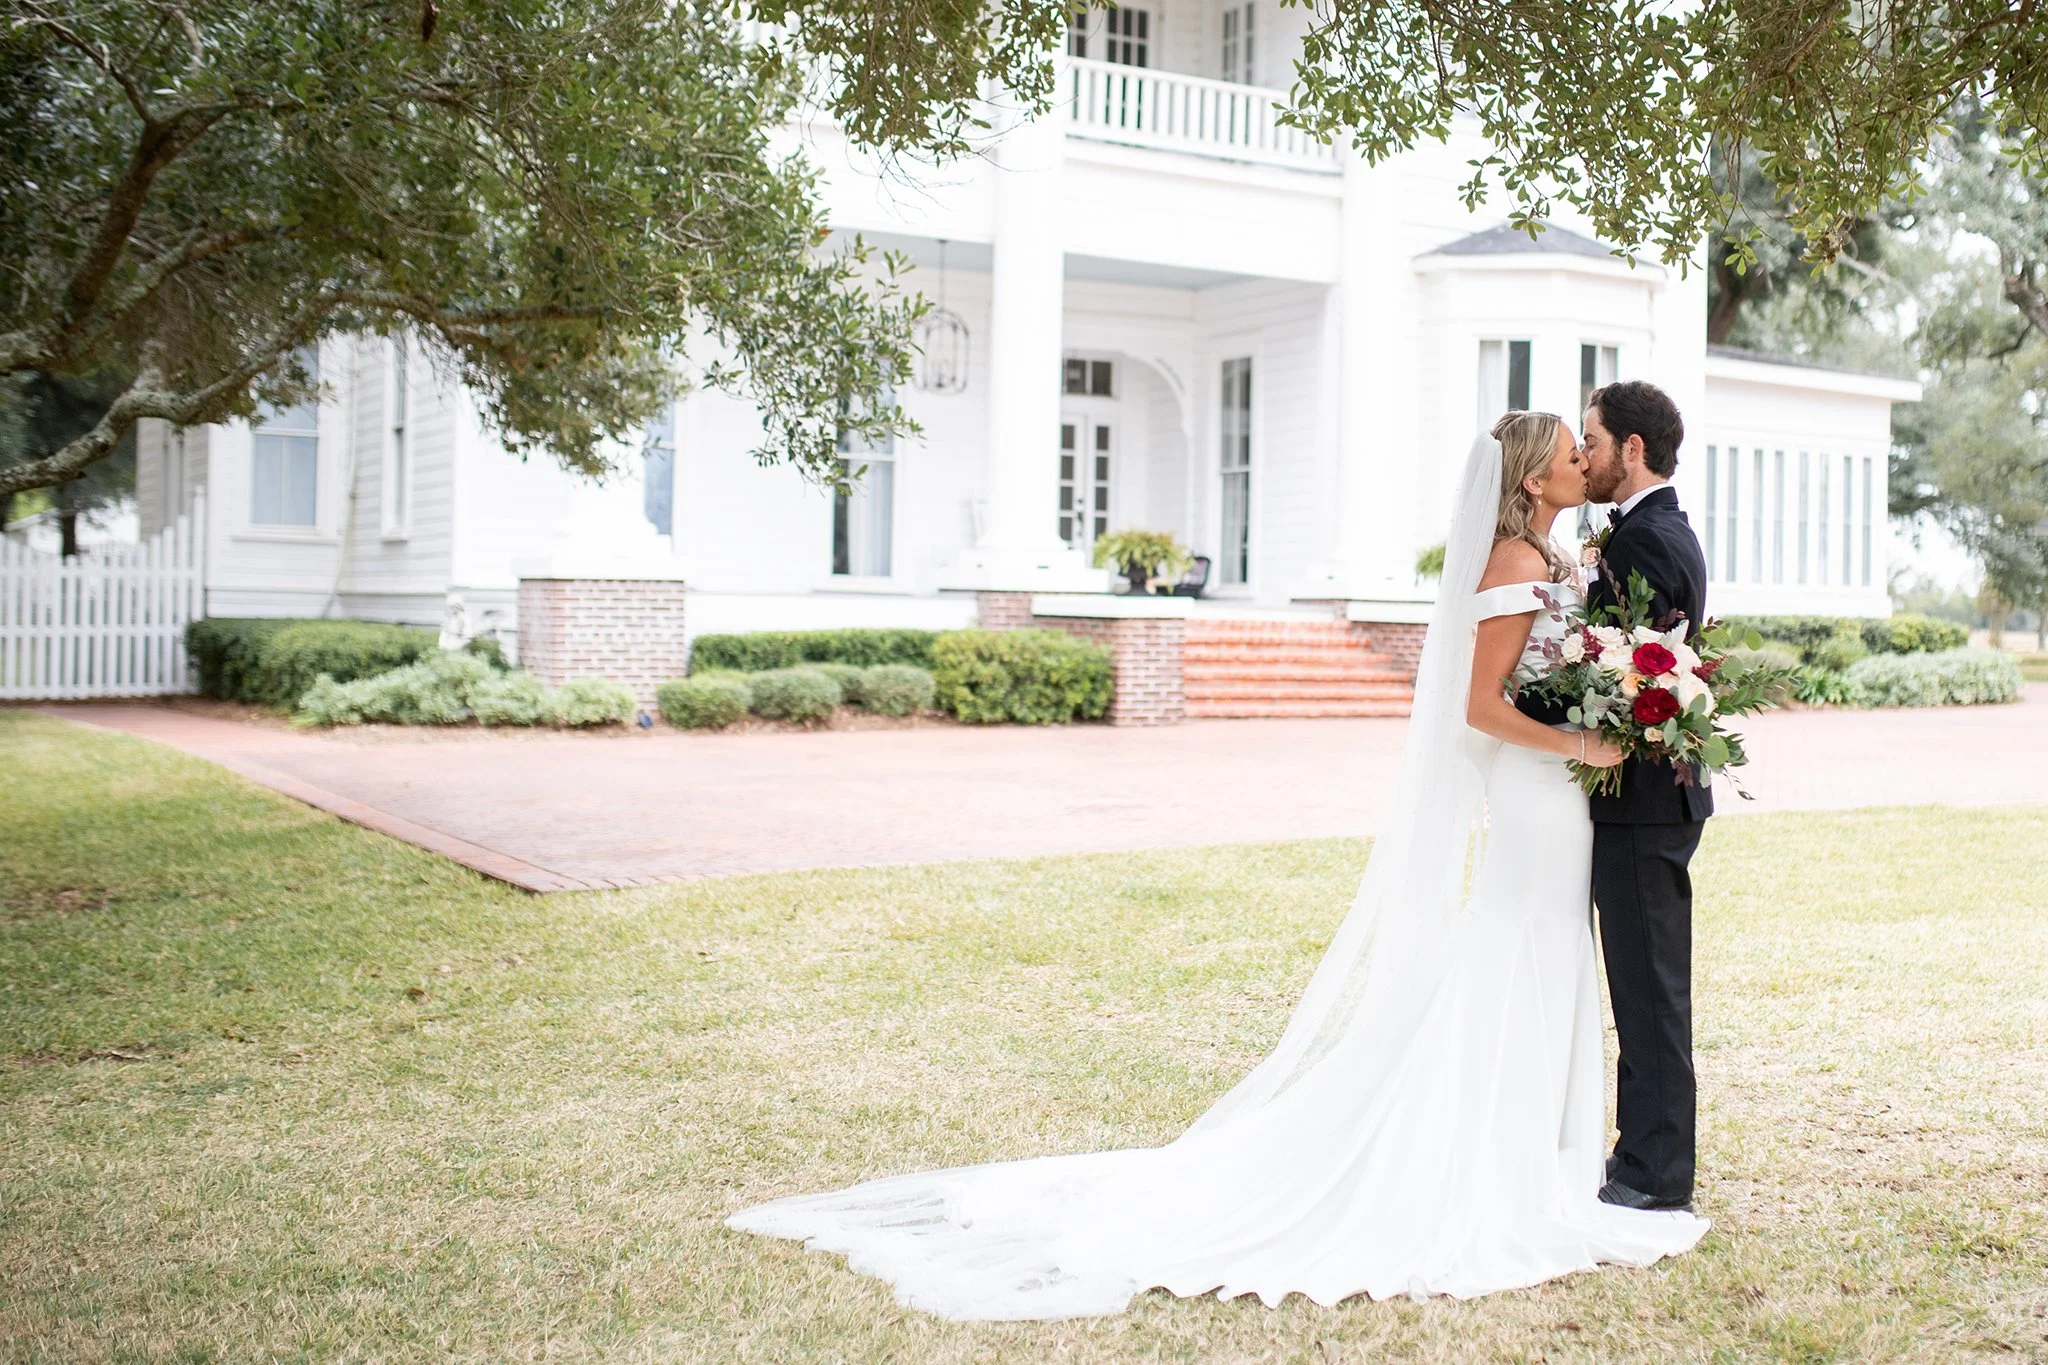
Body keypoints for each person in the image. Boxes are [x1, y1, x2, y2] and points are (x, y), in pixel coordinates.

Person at [725, 411, 1709, 1322]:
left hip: (1563, 796)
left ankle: (1536, 1149)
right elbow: (1477, 706)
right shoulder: (1512, 560)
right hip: (1540, 793)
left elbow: (1567, 665)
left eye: (1587, 446)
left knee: (1548, 949)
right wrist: (1579, 744)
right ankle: (1491, 1156)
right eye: (1570, 451)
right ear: (1532, 478)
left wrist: (1614, 705)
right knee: (1518, 945)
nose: (1583, 460)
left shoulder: (1555, 555)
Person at [1561, 380, 1712, 1214]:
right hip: (1645, 799)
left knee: (1649, 992)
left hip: (1644, 799)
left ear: (1633, 447)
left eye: (1591, 439)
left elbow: (1628, 674)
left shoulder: (1647, 539)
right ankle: (1642, 1157)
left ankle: (1654, 1175)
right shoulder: (1648, 530)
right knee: (1644, 985)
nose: (1583, 455)